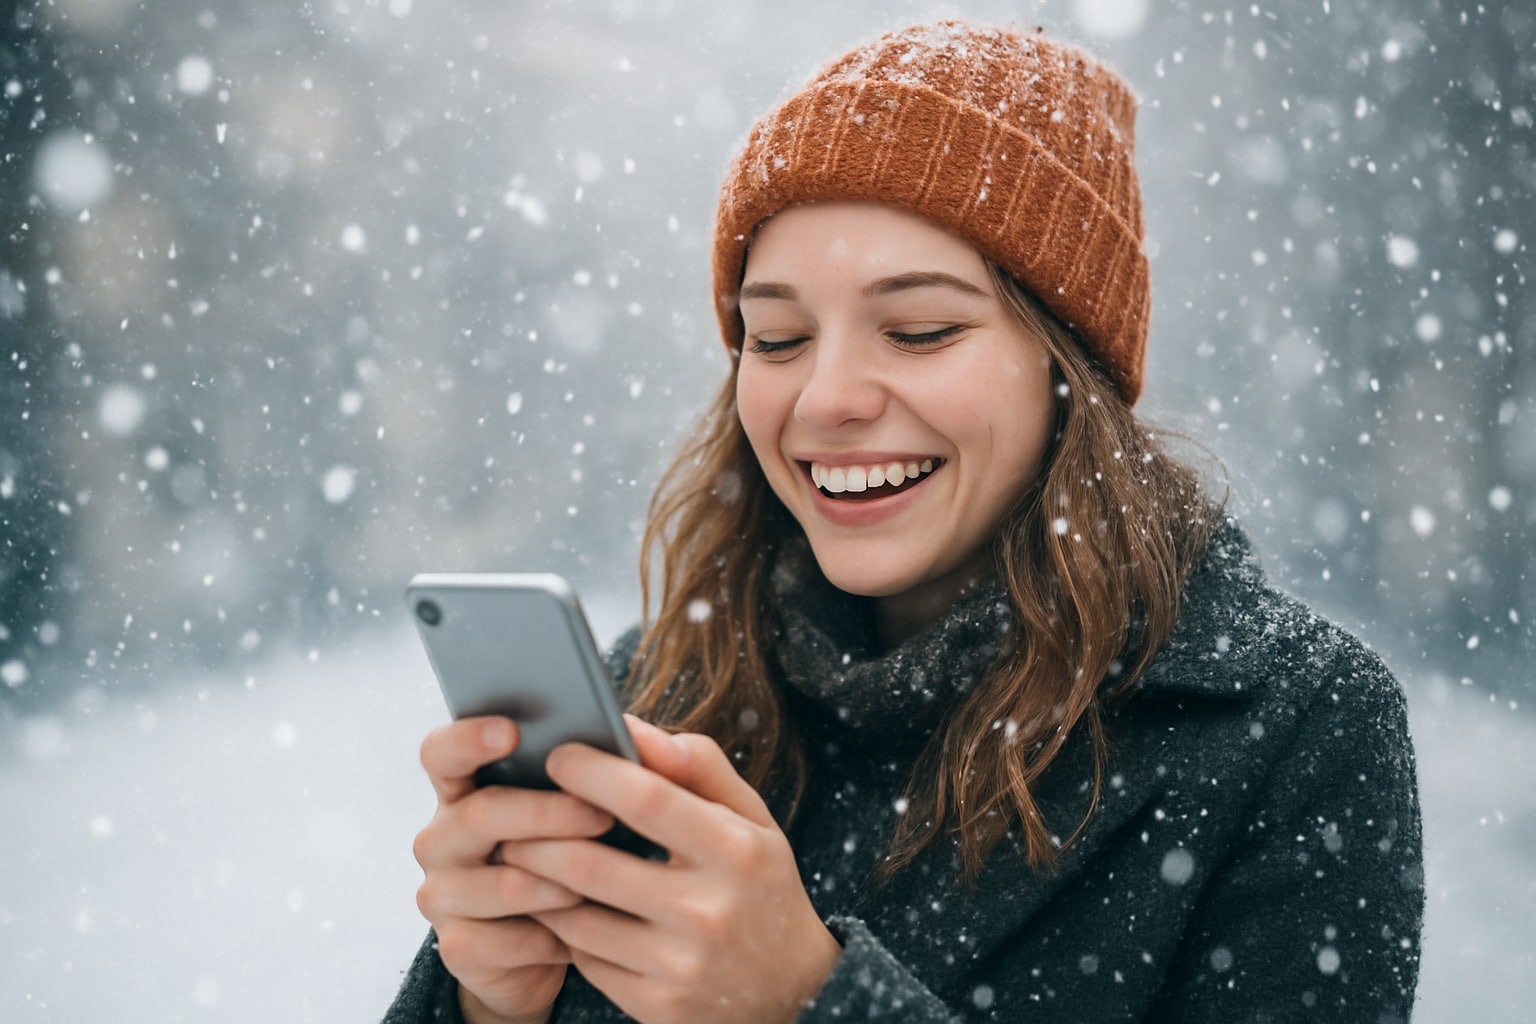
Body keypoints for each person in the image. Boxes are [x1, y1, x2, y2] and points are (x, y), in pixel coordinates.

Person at [383, 20, 1424, 1024]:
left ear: (1072, 373)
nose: (827, 397)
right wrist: (481, 1000)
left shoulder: (1289, 733)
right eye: (778, 337)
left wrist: (808, 1002)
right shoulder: (652, 698)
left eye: (919, 329)